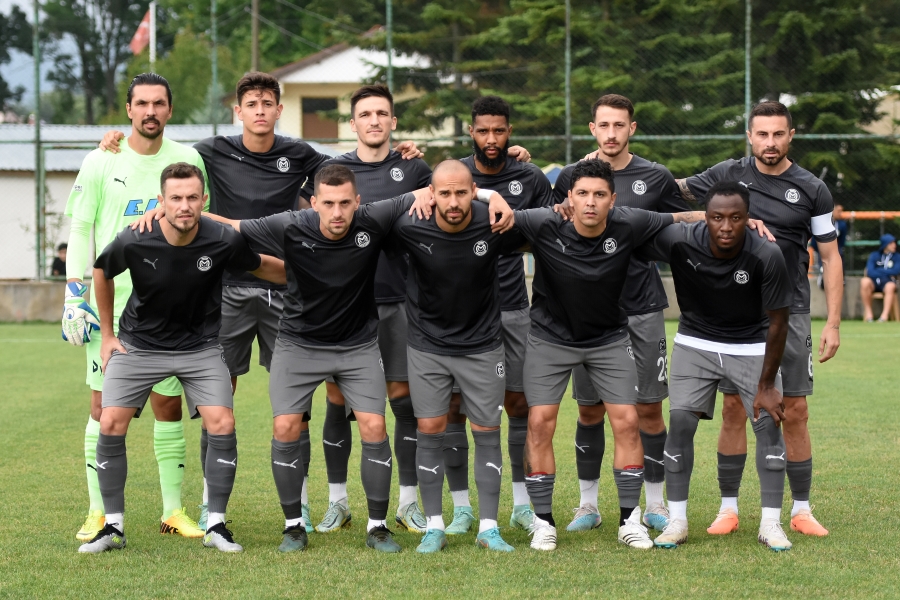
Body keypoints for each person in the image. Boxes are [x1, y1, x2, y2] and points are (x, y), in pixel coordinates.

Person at [103, 73, 424, 532]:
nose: (259, 110)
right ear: (238, 111)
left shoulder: (302, 154)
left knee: (300, 407)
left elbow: (353, 164)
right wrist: (120, 144)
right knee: (218, 401)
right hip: (228, 288)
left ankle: (303, 504)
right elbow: (166, 159)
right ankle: (212, 505)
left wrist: (401, 150)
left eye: (267, 103)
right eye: (250, 104)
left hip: (286, 290)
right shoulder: (210, 151)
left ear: (278, 109)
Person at [306, 86, 534, 535]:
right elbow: (314, 222)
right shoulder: (334, 170)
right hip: (345, 300)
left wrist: (493, 193)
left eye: (382, 113)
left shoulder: (414, 167)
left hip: (399, 300)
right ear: (352, 123)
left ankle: (409, 502)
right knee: (337, 399)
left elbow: (455, 189)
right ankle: (337, 501)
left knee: (404, 401)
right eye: (365, 114)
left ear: (393, 122)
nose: (374, 120)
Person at [78, 162, 285, 554]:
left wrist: (308, 274)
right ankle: (113, 528)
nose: (184, 205)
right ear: (162, 201)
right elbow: (102, 271)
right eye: (175, 198)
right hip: (139, 346)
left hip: (200, 348)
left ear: (204, 200)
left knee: (222, 422)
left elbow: (261, 267)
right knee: (110, 420)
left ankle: (216, 525)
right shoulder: (135, 237)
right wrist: (106, 336)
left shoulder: (222, 239)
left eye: (192, 197)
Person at [509, 159, 705, 551]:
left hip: (608, 340)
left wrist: (735, 219)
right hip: (550, 339)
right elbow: (494, 215)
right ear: (569, 197)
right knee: (540, 423)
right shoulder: (544, 222)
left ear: (613, 200)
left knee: (628, 421)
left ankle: (629, 520)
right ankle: (543, 522)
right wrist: (488, 198)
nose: (590, 202)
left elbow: (680, 217)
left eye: (599, 194)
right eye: (582, 193)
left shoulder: (629, 222)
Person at [678, 101, 841, 537]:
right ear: (749, 136)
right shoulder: (727, 175)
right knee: (735, 408)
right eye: (762, 134)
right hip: (739, 312)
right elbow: (668, 191)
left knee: (795, 410)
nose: (770, 142)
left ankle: (801, 509)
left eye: (778, 134)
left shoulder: (812, 188)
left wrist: (833, 322)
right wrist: (601, 163)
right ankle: (728, 508)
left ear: (791, 136)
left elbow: (830, 256)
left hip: (793, 310)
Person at [62, 73, 207, 543]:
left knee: (168, 405)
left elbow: (200, 224)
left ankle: (173, 511)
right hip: (111, 307)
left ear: (169, 109)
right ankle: (98, 513)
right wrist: (74, 295)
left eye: (158, 103)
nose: (150, 111)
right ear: (128, 109)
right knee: (103, 406)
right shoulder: (101, 159)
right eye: (141, 103)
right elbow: (81, 229)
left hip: (169, 306)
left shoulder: (188, 159)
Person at [551, 94, 691, 533]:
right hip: (588, 312)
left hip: (642, 308)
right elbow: (551, 226)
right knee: (590, 411)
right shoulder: (571, 177)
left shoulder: (656, 177)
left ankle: (655, 504)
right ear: (592, 128)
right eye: (604, 125)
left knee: (648, 410)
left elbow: (681, 226)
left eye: (619, 125)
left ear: (632, 128)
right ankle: (588, 505)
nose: (611, 134)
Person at [635, 181, 794, 552]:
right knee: (681, 424)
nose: (726, 226)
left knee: (768, 426)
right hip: (696, 342)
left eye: (736, 218)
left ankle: (771, 523)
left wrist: (767, 385)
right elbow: (629, 229)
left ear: (749, 218)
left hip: (751, 345)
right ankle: (677, 521)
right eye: (717, 217)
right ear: (704, 217)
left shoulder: (767, 254)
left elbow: (779, 322)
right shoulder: (680, 240)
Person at [387, 160, 521, 553]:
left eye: (462, 192)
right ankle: (434, 526)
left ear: (473, 191)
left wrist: (494, 197)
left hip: (483, 346)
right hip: (427, 347)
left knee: (487, 432)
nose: (453, 201)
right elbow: (369, 214)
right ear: (431, 194)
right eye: (444, 193)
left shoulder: (493, 221)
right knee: (430, 428)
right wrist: (412, 197)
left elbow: (547, 227)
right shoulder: (410, 224)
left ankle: (489, 528)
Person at [438, 95, 554, 535]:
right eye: (483, 130)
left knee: (518, 403)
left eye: (499, 130)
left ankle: (522, 506)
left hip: (512, 307)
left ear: (510, 132)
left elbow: (552, 222)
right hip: (460, 311)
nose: (491, 138)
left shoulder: (529, 176)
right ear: (471, 131)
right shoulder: (455, 177)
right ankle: (462, 508)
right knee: (454, 408)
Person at [860, 233, 900, 322]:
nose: (894, 245)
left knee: (890, 286)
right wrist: (886, 272)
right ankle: (869, 314)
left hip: (888, 282)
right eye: (891, 243)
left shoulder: (897, 257)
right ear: (885, 244)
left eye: (894, 243)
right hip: (874, 282)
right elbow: (870, 271)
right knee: (864, 281)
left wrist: (878, 270)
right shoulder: (874, 255)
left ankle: (884, 317)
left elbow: (896, 271)